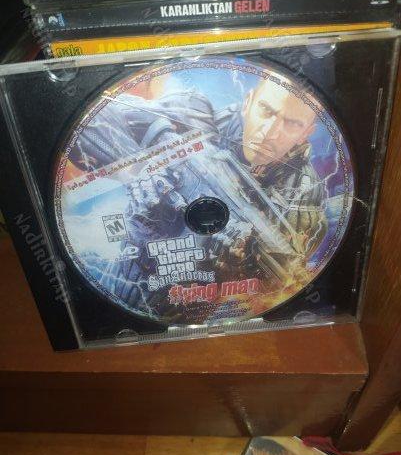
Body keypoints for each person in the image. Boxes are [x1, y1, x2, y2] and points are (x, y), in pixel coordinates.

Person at [69, 68, 327, 321]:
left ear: (306, 133)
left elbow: (274, 287)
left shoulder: (301, 192)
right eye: (266, 111)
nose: (270, 132)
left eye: (292, 123)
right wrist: (141, 170)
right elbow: (92, 117)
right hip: (126, 275)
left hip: (187, 304)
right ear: (248, 103)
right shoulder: (197, 117)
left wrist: (230, 265)